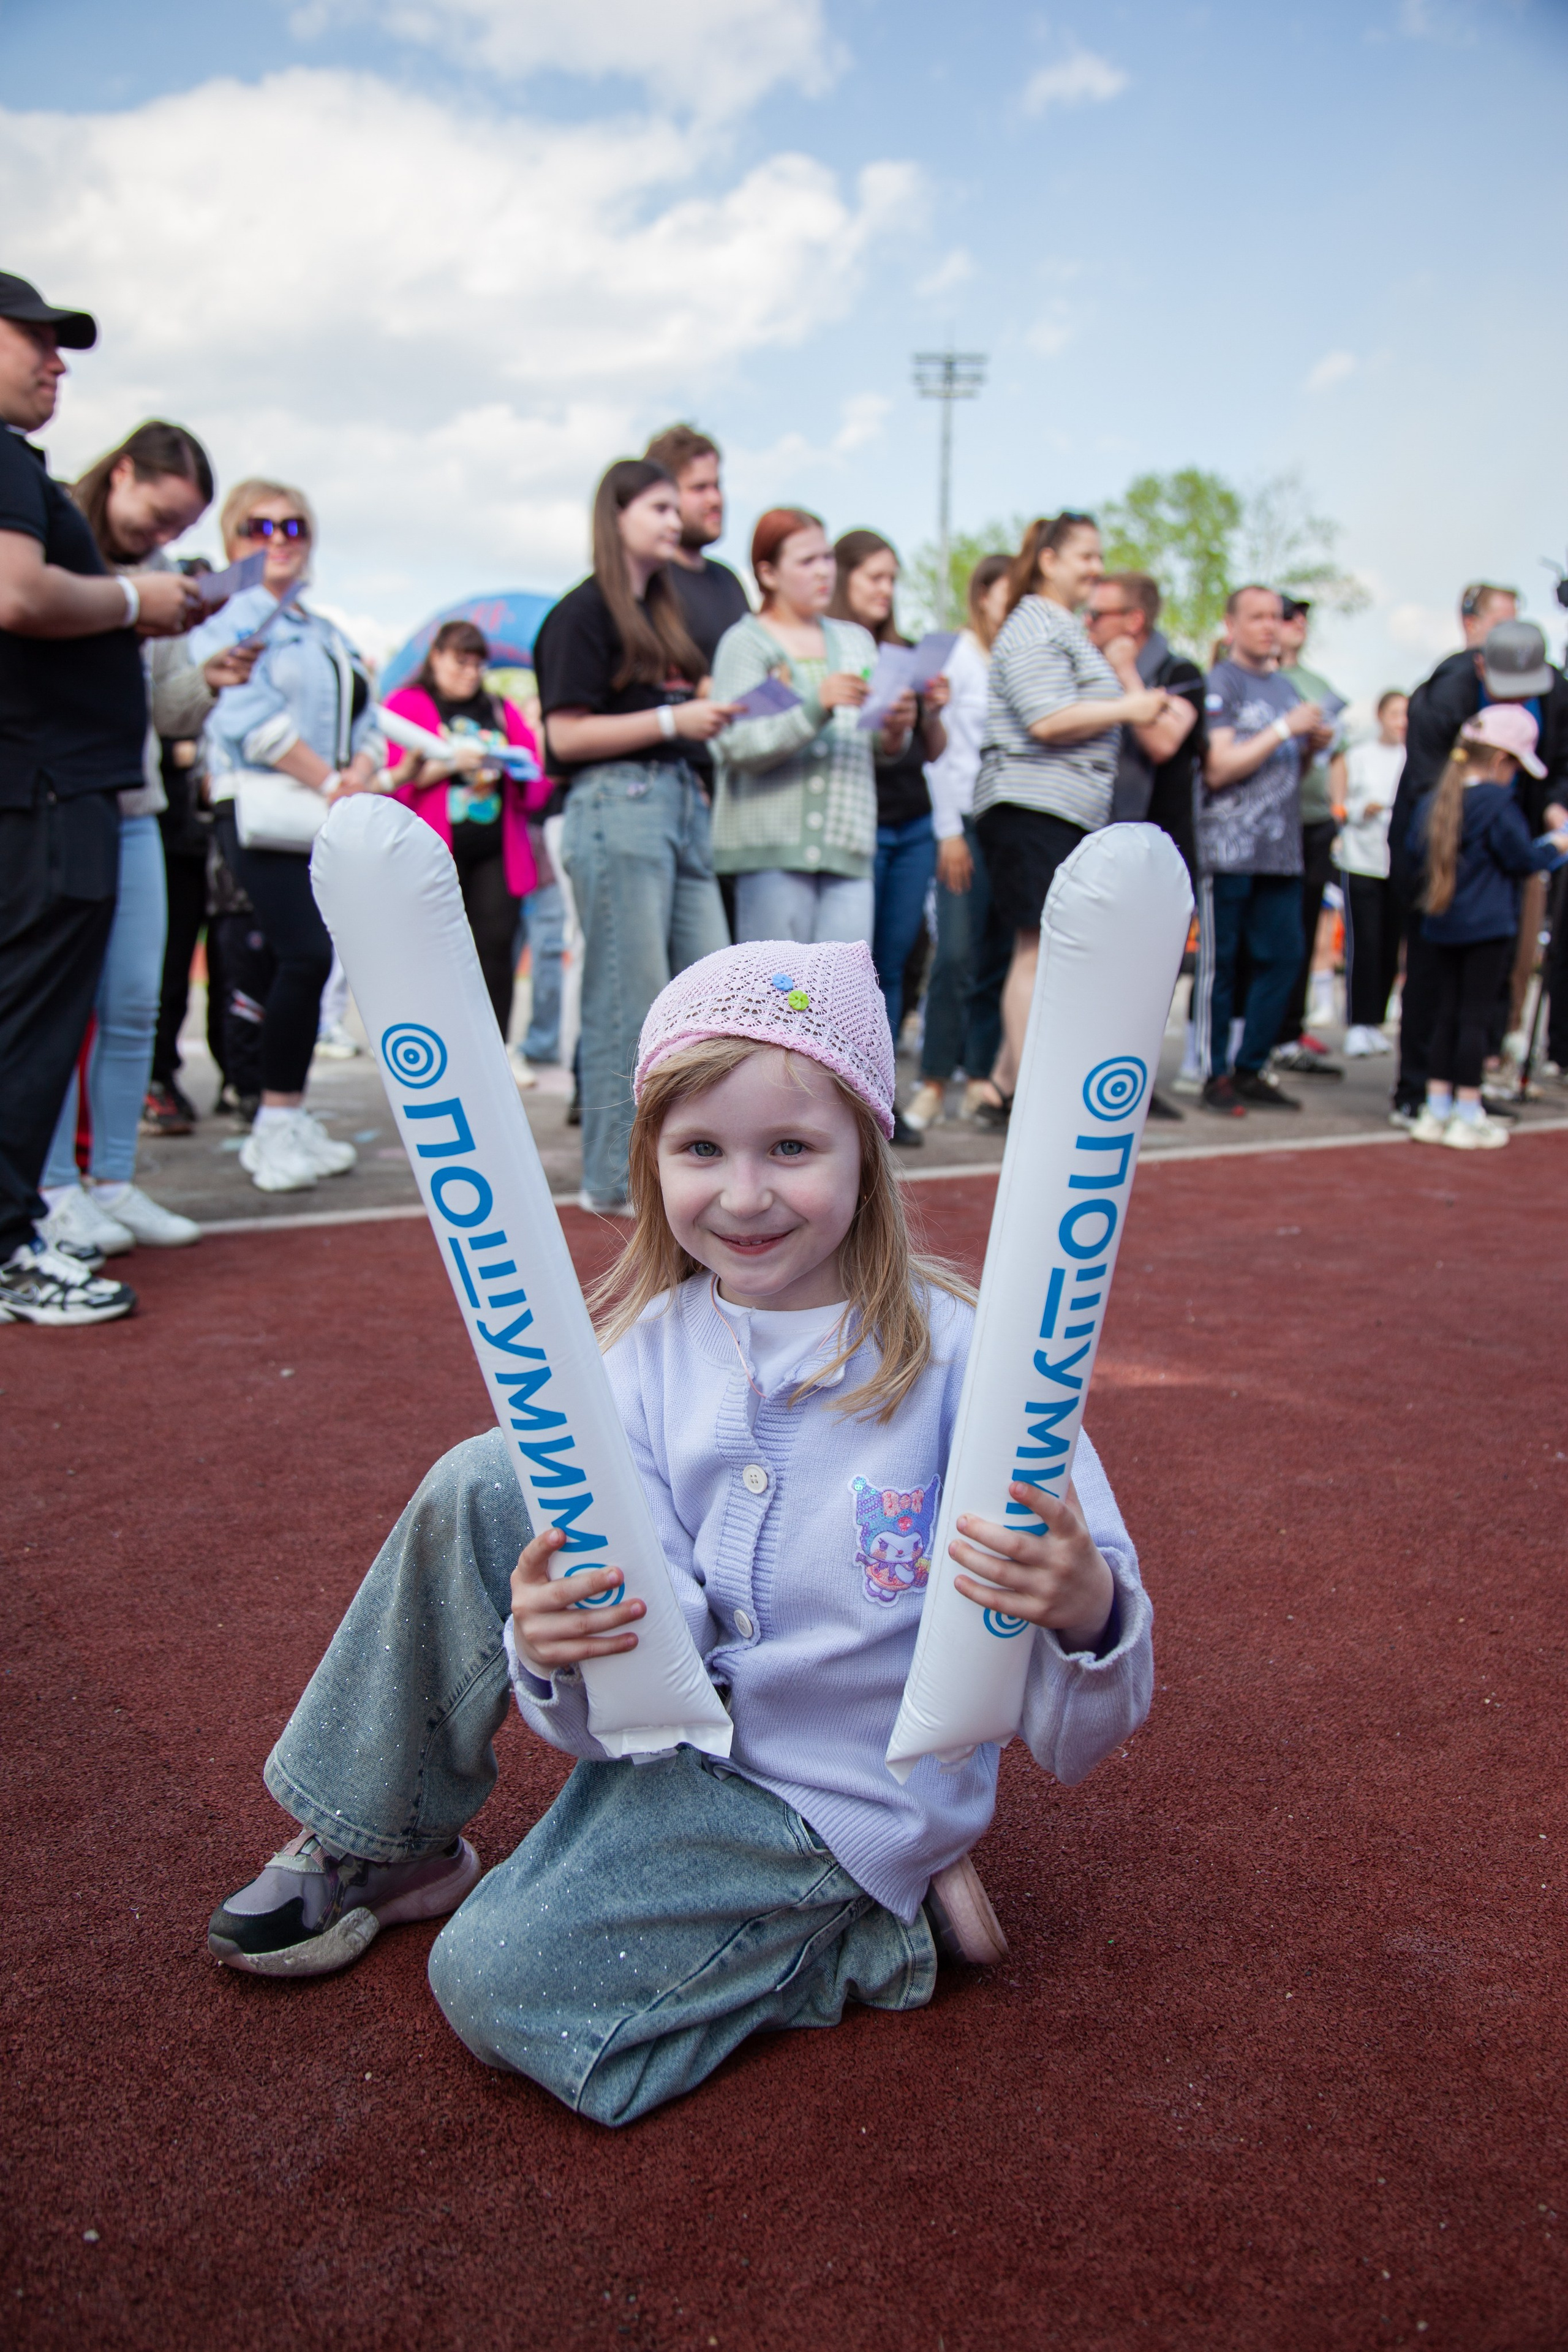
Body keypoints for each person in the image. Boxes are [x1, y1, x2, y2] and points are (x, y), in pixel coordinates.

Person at [205, 937, 1153, 2127]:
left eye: (791, 1148)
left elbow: (1084, 1720)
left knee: (491, 1986)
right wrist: (551, 1648)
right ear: (649, 1159)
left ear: (868, 1151)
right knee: (487, 1476)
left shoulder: (973, 1362)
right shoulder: (639, 1352)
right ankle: (381, 1834)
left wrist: (1087, 1611)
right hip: (681, 1742)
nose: (744, 1195)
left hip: (829, 1794)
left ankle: (878, 1937)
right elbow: (634, 1694)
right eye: (701, 1149)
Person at [0, 274, 200, 1327]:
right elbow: (18, 593)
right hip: (48, 789)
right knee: (32, 1023)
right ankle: (12, 1246)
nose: (56, 362)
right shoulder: (9, 465)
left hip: (58, 787)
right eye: (33, 339)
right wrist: (135, 600)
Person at [37, 424, 256, 1261]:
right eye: (160, 515)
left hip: (135, 804)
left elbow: (167, 710)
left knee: (134, 1002)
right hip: (59, 797)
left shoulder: (159, 573)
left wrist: (210, 680)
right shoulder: (53, 540)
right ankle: (51, 1189)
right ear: (122, 472)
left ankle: (112, 1180)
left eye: (181, 526)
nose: (166, 536)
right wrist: (130, 608)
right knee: (58, 1007)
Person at [533, 457, 735, 1213]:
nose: (674, 520)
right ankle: (615, 1184)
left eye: (675, 507)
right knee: (629, 1002)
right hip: (618, 802)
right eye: (657, 507)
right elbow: (563, 737)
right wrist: (672, 720)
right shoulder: (583, 612)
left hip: (680, 802)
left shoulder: (665, 613)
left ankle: (678, 1173)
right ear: (614, 515)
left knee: (713, 1000)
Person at [195, 478, 383, 1194]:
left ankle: (288, 1112)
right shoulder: (228, 615)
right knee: (297, 956)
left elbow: (367, 717)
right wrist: (333, 781)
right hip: (262, 811)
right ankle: (271, 1121)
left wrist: (359, 769)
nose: (278, 540)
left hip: (320, 813)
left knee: (307, 961)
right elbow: (245, 718)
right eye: (259, 526)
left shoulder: (324, 628)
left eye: (293, 526)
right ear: (232, 540)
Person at [971, 513, 1171, 1128]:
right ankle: (1033, 1099)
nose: (1096, 568)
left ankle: (1004, 1085)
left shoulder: (1058, 625)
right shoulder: (1036, 623)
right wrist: (1130, 707)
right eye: (1086, 556)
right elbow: (1046, 719)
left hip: (1058, 809)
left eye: (1098, 557)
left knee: (1045, 949)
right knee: (1037, 950)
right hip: (1032, 805)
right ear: (1050, 560)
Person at [1386, 614, 1568, 1125]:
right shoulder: (1445, 696)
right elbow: (1428, 790)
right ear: (1482, 665)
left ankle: (1465, 1086)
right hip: (1446, 860)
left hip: (1495, 868)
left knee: (1479, 995)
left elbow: (1561, 764)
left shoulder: (1556, 695)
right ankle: (1419, 1089)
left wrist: (1555, 804)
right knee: (1434, 985)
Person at [709, 509, 913, 950]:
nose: (823, 571)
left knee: (843, 986)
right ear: (768, 573)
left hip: (848, 849)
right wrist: (816, 706)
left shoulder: (856, 640)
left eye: (827, 558)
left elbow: (876, 745)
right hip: (771, 853)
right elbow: (736, 745)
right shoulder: (746, 643)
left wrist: (896, 728)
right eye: (806, 561)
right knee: (775, 989)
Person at [827, 529, 948, 1145]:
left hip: (913, 819)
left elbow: (933, 749)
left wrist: (934, 710)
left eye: (892, 579)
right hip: (859, 821)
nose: (885, 589)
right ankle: (841, 1086)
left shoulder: (905, 653)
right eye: (874, 576)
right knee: (858, 959)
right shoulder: (831, 653)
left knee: (897, 959)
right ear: (843, 577)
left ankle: (881, 1091)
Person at [1193, 586, 1329, 1115]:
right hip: (1228, 849)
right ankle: (1213, 1074)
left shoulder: (1286, 688)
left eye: (1276, 617)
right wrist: (1282, 729)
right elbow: (1219, 768)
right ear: (1231, 626)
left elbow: (1291, 769)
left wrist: (1309, 746)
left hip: (1281, 850)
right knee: (1221, 964)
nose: (1270, 626)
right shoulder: (1221, 682)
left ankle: (1252, 1066)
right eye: (1257, 617)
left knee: (1285, 956)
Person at [383, 620, 551, 1040]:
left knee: (495, 948)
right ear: (436, 657)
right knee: (429, 954)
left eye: (478, 665)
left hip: (496, 850)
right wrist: (450, 763)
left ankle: (494, 1048)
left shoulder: (498, 708)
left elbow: (536, 777)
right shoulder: (406, 703)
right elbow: (389, 782)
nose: (470, 673)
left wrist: (508, 764)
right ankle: (431, 1047)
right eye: (461, 662)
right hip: (432, 850)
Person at [1085, 570, 1206, 1123]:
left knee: (1149, 976)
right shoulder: (1085, 669)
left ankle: (1131, 1082)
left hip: (1162, 849)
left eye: (1099, 614)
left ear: (1133, 621)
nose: (1088, 623)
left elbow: (1161, 741)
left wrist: (1127, 673)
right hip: (1096, 842)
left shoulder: (1180, 673)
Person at [903, 554, 1012, 1132]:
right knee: (955, 954)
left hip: (1009, 823)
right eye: (1007, 594)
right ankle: (932, 1081)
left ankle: (977, 1077)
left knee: (999, 956)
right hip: (963, 822)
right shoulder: (956, 655)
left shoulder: (1020, 658)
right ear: (983, 594)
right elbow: (937, 752)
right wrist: (948, 830)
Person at [1272, 597, 1349, 1079]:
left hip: (1316, 821)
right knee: (1267, 932)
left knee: (1301, 930)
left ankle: (1288, 1033)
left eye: (1303, 617)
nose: (1297, 623)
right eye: (1287, 615)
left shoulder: (1320, 685)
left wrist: (1338, 811)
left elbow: (1339, 754)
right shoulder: (1253, 679)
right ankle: (1248, 1037)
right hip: (1270, 822)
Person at [643, 425, 750, 669]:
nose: (715, 500)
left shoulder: (728, 580)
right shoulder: (649, 582)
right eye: (699, 488)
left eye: (717, 486)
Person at [1336, 692, 1407, 1057]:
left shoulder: (1412, 757)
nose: (1401, 721)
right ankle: (1357, 1021)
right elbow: (1340, 802)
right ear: (1380, 716)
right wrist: (1362, 809)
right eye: (1395, 713)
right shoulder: (1359, 755)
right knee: (1364, 943)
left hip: (1397, 862)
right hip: (1362, 859)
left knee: (1390, 945)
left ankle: (1375, 1020)